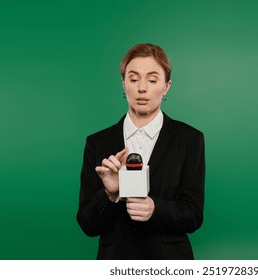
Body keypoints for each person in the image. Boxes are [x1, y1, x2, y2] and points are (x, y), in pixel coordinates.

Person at [76, 43, 205, 260]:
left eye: (152, 80)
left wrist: (156, 208)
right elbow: (88, 224)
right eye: (134, 79)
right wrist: (109, 194)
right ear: (123, 83)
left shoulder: (190, 139)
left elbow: (193, 215)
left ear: (166, 87)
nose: (142, 88)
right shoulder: (97, 142)